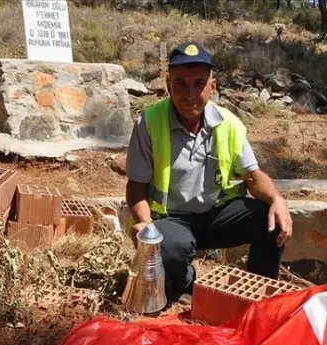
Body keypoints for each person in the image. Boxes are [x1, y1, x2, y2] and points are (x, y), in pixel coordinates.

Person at [125, 41, 293, 303]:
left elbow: (253, 176)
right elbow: (136, 185)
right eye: (181, 83)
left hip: (217, 215)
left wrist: (277, 200)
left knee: (270, 220)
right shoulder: (149, 123)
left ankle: (259, 296)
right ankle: (185, 281)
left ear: (212, 88)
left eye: (199, 84)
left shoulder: (229, 124)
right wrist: (145, 225)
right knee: (168, 248)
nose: (190, 94)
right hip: (172, 219)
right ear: (168, 85)